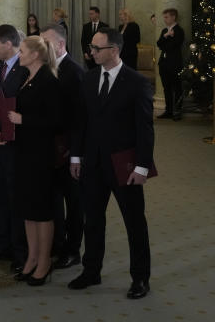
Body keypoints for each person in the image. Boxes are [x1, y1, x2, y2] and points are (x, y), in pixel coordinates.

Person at [69, 27, 155, 300]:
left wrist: (142, 167)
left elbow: (145, 129)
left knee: (134, 223)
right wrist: (76, 155)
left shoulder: (137, 82)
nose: (90, 52)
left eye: (96, 49)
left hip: (124, 164)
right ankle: (91, 271)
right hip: (92, 163)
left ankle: (140, 278)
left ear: (114, 50)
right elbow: (80, 121)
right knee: (92, 220)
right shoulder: (89, 77)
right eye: (91, 48)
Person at [3, 36, 62, 286]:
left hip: (41, 155)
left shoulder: (49, 80)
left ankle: (44, 261)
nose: (20, 54)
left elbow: (56, 121)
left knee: (42, 210)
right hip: (24, 152)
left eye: (23, 51)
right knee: (27, 209)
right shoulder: (26, 78)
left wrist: (23, 120)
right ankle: (32, 257)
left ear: (35, 55)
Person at [41, 23, 86, 271]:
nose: (41, 47)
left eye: (45, 42)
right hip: (50, 149)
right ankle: (57, 245)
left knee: (74, 203)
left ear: (60, 44)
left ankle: (73, 250)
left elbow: (79, 120)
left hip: (70, 151)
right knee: (54, 200)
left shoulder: (75, 72)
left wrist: (76, 155)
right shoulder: (45, 69)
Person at [0, 24, 30, 269]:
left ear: (9, 44)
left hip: (15, 144)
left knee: (15, 198)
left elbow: (24, 107)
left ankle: (19, 251)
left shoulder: (25, 69)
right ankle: (1, 244)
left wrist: (4, 128)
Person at [155, 8, 185, 120]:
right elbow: (159, 44)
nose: (165, 19)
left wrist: (165, 42)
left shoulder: (179, 30)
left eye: (166, 17)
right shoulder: (164, 31)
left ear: (173, 17)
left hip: (174, 63)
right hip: (164, 63)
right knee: (166, 88)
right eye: (164, 17)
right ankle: (168, 111)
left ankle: (177, 111)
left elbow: (174, 45)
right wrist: (166, 36)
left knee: (177, 87)